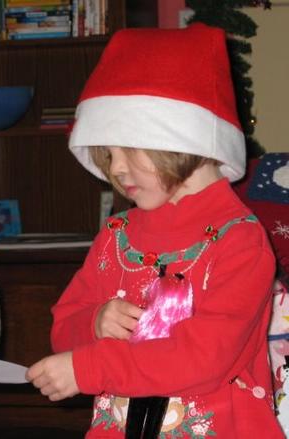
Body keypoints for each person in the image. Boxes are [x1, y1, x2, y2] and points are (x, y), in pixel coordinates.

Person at [26, 23, 284, 438]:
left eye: (129, 148)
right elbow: (64, 325)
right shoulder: (116, 235)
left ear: (181, 138)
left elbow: (202, 360)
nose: (116, 168)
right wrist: (94, 323)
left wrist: (90, 367)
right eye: (108, 154)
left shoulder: (240, 241)